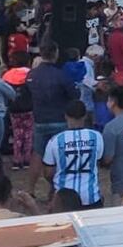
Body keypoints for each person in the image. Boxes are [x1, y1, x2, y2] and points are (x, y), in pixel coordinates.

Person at [28, 42, 79, 194]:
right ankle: (55, 188)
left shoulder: (32, 75)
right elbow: (74, 95)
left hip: (40, 119)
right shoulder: (60, 75)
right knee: (59, 155)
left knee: (37, 154)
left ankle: (30, 188)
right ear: (55, 53)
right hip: (59, 119)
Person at [42, 100, 104, 209]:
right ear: (85, 116)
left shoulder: (56, 140)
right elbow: (97, 161)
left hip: (64, 198)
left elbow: (48, 172)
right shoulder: (96, 137)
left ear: (66, 116)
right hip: (90, 196)